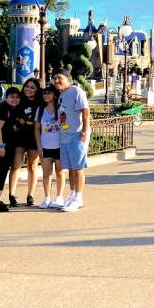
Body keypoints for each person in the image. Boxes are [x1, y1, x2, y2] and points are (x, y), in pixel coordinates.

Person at [53, 69, 90, 212]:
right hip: (64, 135)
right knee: (70, 168)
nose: (56, 81)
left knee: (78, 167)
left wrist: (85, 131)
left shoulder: (76, 91)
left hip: (76, 135)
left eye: (59, 78)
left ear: (68, 78)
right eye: (54, 78)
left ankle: (79, 198)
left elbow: (85, 111)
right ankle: (73, 194)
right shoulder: (61, 94)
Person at [8, 77, 42, 206]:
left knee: (32, 166)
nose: (29, 89)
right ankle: (12, 194)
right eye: (27, 86)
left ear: (37, 89)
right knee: (16, 164)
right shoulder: (19, 99)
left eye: (32, 87)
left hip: (34, 137)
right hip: (19, 136)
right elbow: (8, 103)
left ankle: (30, 195)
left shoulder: (40, 102)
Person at [0, 87, 22, 212]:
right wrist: (0, 146)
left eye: (17, 97)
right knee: (2, 170)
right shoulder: (4, 109)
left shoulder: (12, 109)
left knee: (2, 171)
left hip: (7, 144)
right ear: (6, 98)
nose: (14, 99)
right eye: (11, 97)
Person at [35, 85, 66, 209]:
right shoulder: (40, 110)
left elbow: (66, 124)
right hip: (45, 145)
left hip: (59, 145)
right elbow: (37, 129)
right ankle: (47, 197)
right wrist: (39, 146)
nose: (46, 95)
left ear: (54, 95)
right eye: (44, 93)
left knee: (60, 172)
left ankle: (59, 196)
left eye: (49, 93)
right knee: (46, 173)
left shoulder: (61, 109)